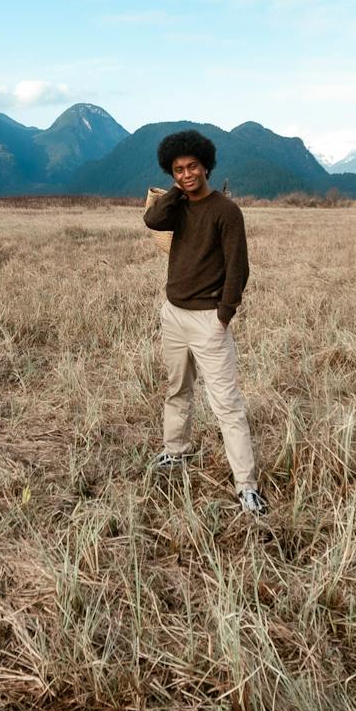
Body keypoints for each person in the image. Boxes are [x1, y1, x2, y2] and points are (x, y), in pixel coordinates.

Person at [142, 129, 266, 515]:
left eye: (192, 166)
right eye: (178, 169)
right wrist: (177, 191)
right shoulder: (176, 206)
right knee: (177, 390)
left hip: (208, 320)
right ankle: (175, 452)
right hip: (173, 315)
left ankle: (246, 486)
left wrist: (224, 316)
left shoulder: (226, 212)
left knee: (226, 405)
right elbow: (151, 219)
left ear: (206, 165)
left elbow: (238, 268)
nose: (186, 174)